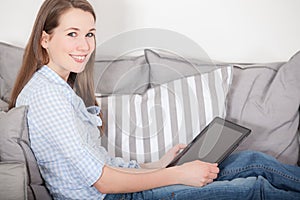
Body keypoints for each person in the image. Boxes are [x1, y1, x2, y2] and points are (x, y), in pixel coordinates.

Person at [9, 0, 300, 199]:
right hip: (114, 197)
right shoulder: (47, 97)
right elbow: (103, 182)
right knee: (252, 188)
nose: (84, 46)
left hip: (122, 189)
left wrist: (159, 165)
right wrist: (178, 175)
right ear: (45, 39)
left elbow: (103, 165)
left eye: (90, 34)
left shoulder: (61, 89)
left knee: (253, 160)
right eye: (72, 34)